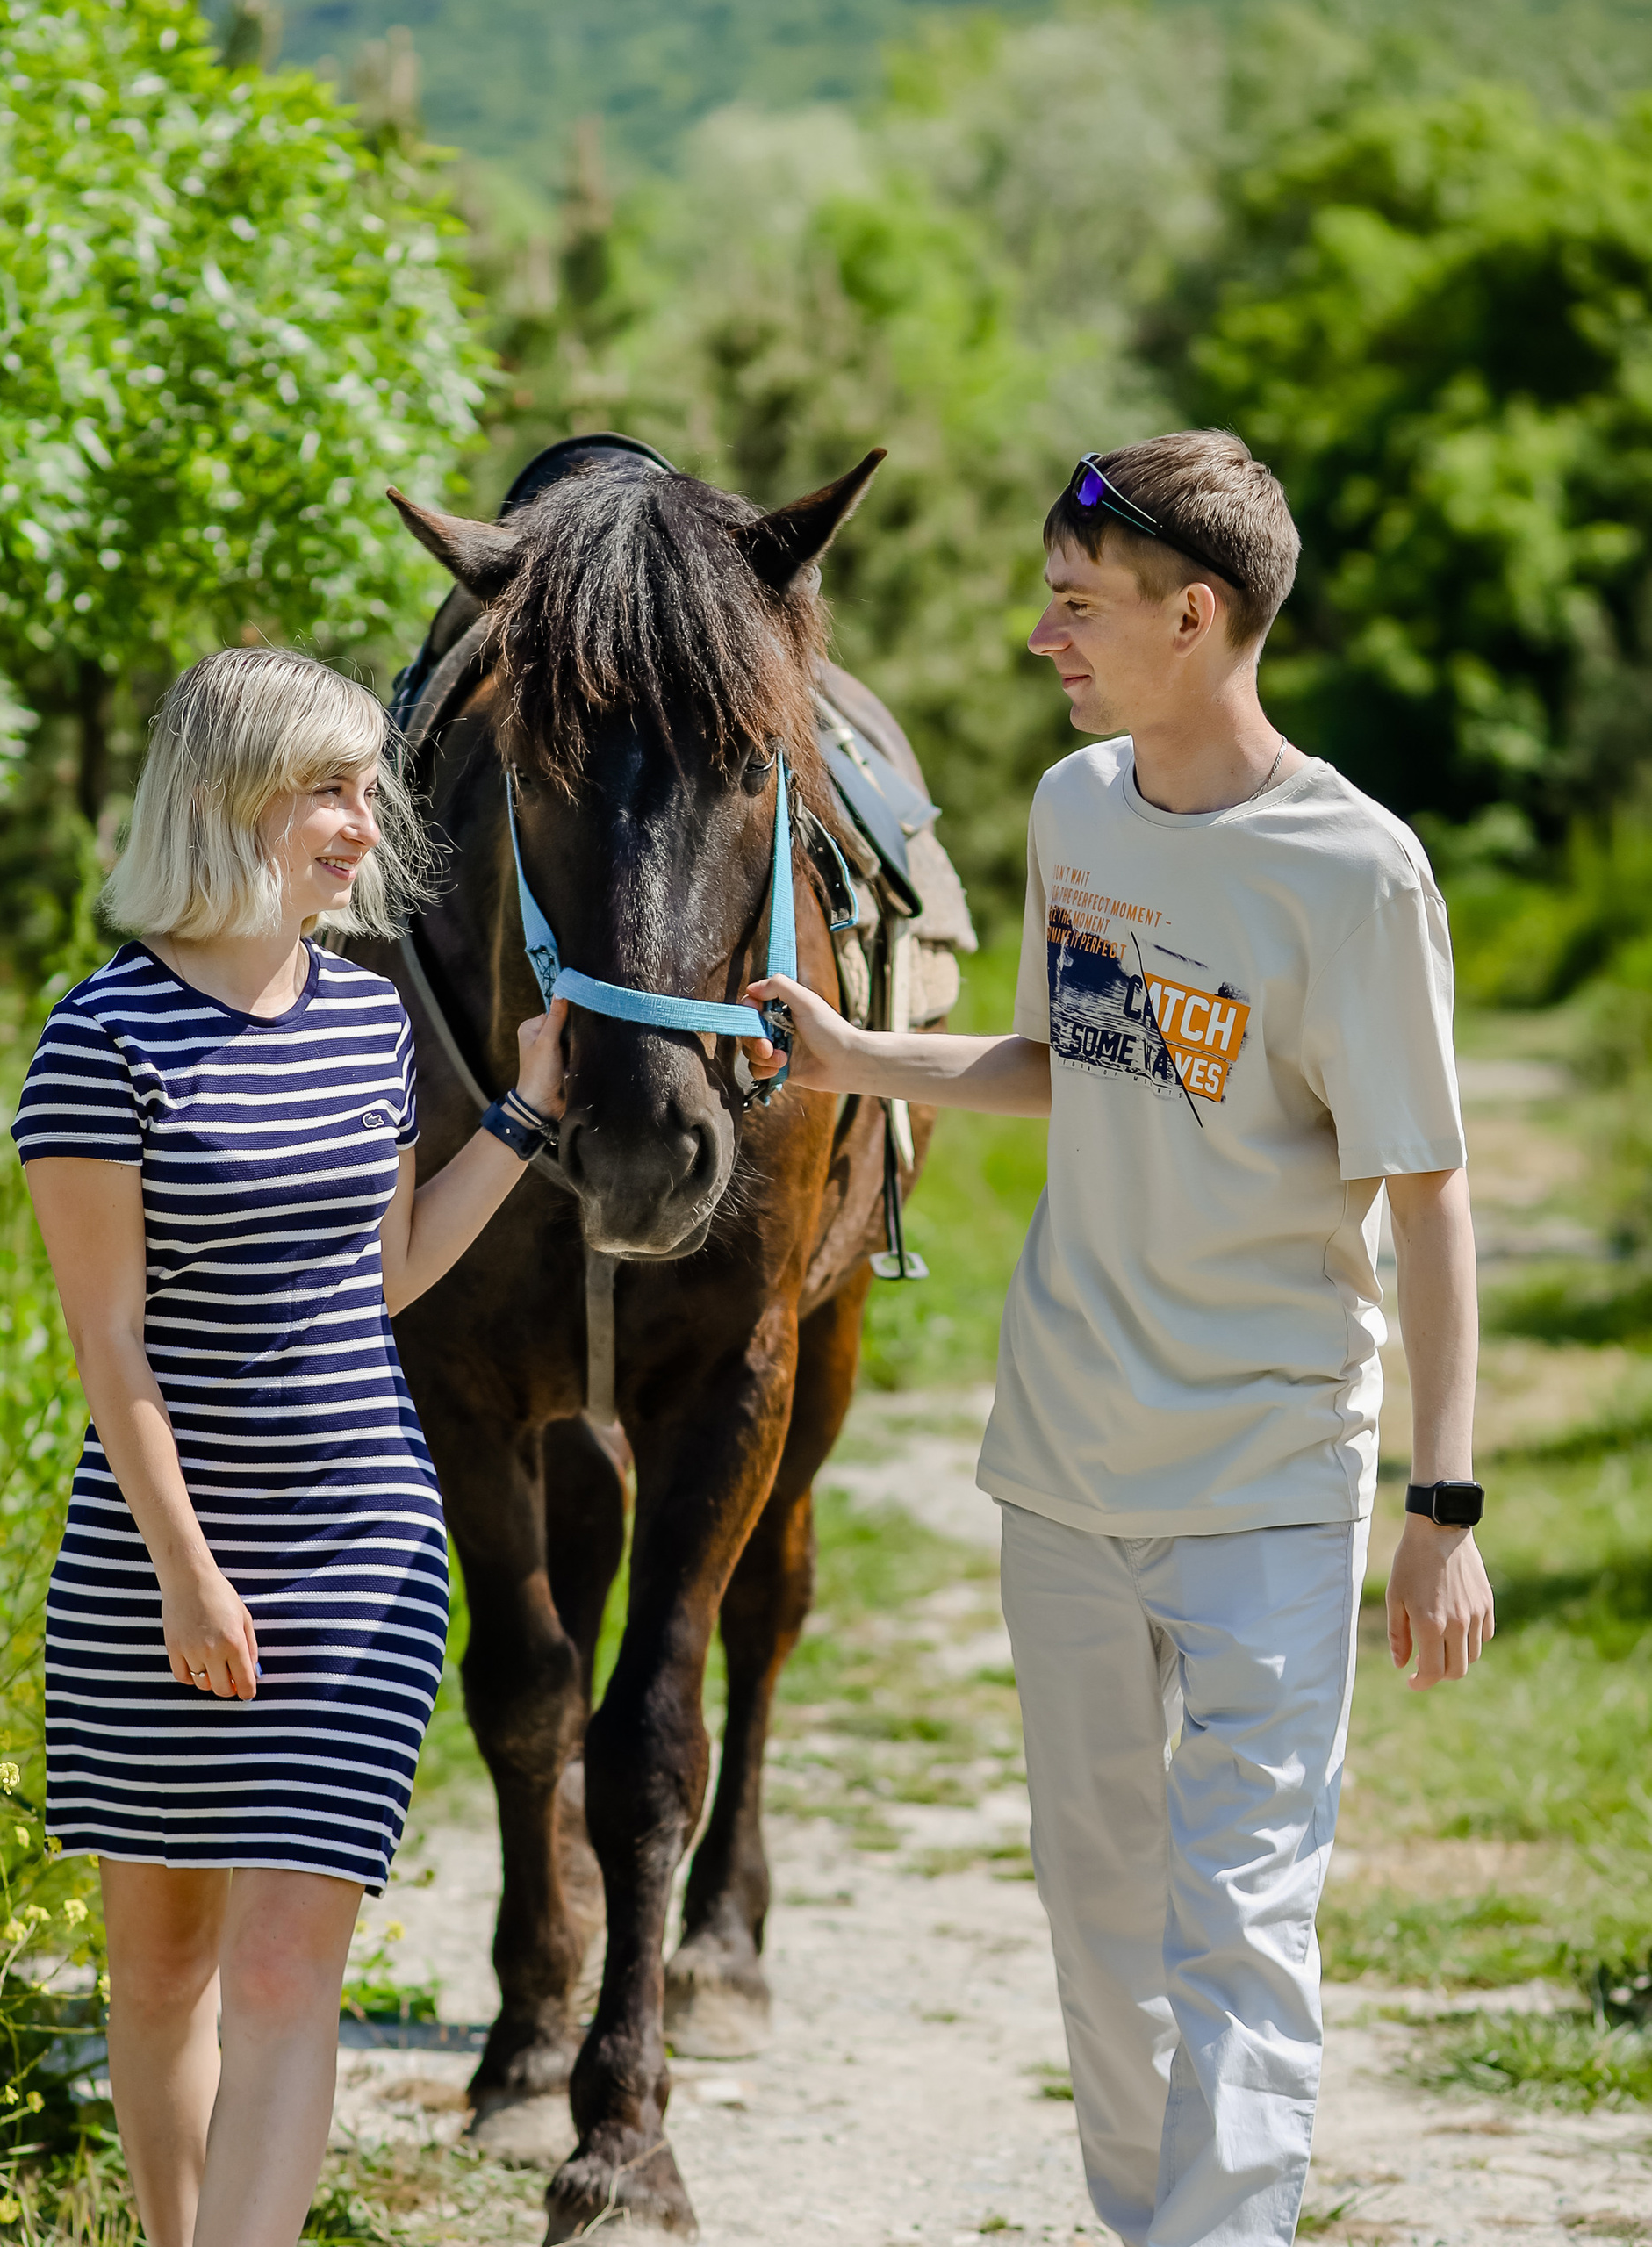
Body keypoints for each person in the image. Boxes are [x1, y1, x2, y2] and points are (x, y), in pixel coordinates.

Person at [745, 430, 1495, 2246]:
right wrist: (855, 1058)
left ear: (1195, 614)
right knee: (1098, 1918)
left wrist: (1443, 1502)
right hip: (1065, 1461)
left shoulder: (1355, 871)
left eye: (1075, 606)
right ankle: (1152, 2216)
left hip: (1263, 1471)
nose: (1042, 638)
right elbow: (1067, 1055)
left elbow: (1428, 1195)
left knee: (1240, 1915)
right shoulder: (1075, 808)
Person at [11, 646, 567, 2247]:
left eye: (364, 789)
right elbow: (111, 1348)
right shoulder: (101, 1039)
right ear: (227, 795)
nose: (361, 824)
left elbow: (379, 1274)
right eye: (328, 789)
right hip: (156, 1558)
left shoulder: (368, 1019)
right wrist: (187, 1575)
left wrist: (522, 1117)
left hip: (356, 1550)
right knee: (160, 1970)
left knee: (277, 1974)